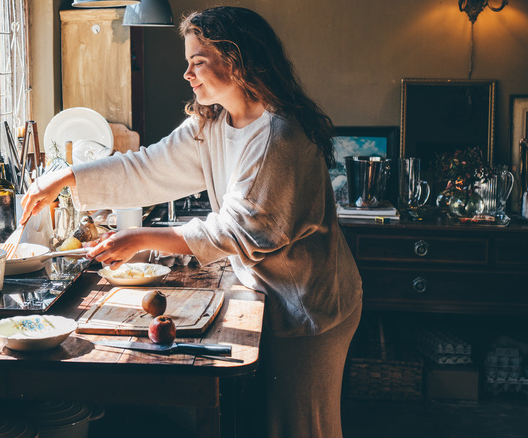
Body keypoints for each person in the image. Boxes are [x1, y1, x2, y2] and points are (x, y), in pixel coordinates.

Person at [20, 6, 362, 437]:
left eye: (198, 61)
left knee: (299, 427)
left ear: (237, 61)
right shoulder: (213, 121)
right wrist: (67, 177)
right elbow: (147, 168)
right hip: (268, 295)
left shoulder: (280, 135)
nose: (187, 73)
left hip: (308, 304)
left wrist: (142, 237)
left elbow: (239, 230)